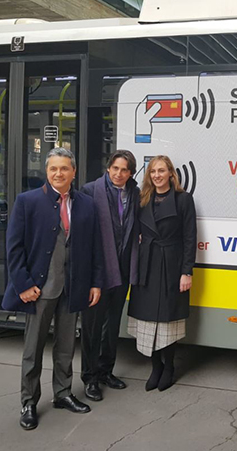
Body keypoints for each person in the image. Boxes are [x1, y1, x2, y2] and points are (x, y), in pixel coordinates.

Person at [3, 147, 105, 431]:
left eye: (64, 168)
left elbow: (94, 248)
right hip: (39, 289)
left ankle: (62, 393)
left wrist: (95, 282)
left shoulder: (86, 204)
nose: (58, 173)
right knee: (32, 349)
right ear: (46, 172)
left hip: (73, 288)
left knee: (65, 347)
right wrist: (23, 285)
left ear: (74, 172)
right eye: (53, 169)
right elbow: (14, 248)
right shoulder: (28, 201)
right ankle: (28, 402)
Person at [127, 155, 196, 392]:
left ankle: (169, 367)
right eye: (153, 171)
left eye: (161, 171)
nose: (157, 175)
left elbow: (190, 237)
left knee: (168, 319)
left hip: (171, 263)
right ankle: (155, 366)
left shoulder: (183, 199)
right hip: (146, 263)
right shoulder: (142, 198)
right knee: (147, 319)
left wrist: (186, 272)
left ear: (171, 174)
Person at [80, 150, 140, 401]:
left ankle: (106, 371)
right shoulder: (90, 191)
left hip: (123, 269)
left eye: (124, 170)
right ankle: (90, 377)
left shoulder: (135, 193)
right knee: (92, 327)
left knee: (113, 323)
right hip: (98, 271)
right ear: (108, 168)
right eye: (115, 168)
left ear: (131, 173)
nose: (119, 173)